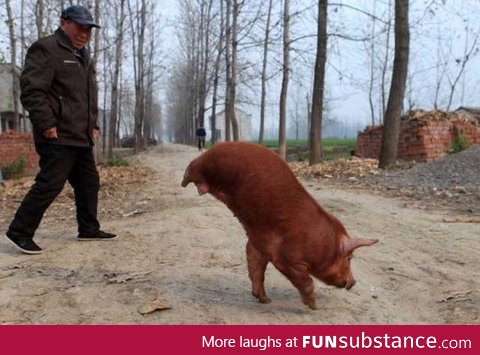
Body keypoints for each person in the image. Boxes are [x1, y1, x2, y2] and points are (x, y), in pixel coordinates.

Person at [4, 5, 116, 255]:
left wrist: (94, 125)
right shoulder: (47, 48)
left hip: (81, 135)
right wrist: (47, 124)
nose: (84, 32)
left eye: (89, 28)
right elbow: (33, 91)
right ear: (64, 22)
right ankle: (19, 231)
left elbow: (88, 96)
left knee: (89, 183)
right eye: (80, 26)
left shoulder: (83, 55)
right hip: (57, 134)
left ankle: (88, 228)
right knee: (50, 183)